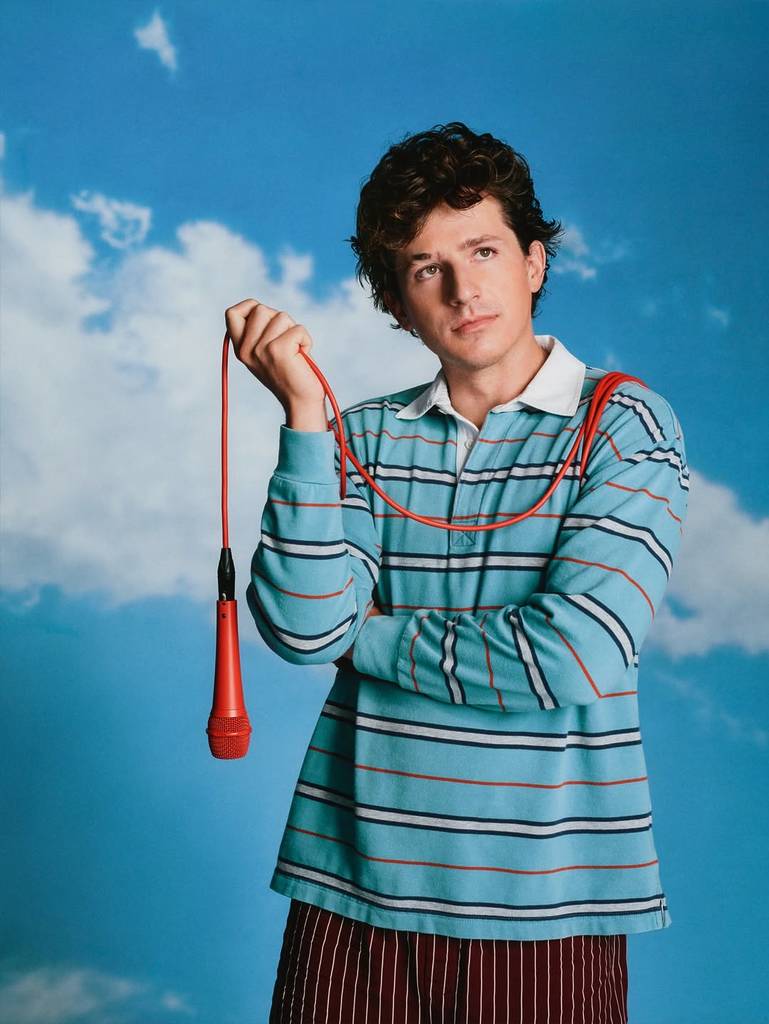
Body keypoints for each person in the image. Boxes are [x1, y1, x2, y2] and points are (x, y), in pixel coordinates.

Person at [225, 121, 689, 1023]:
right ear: (397, 303)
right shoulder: (355, 436)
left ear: (533, 263)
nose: (463, 288)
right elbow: (302, 627)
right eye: (426, 266)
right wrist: (305, 422)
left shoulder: (624, 426)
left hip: (544, 906)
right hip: (349, 885)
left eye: (482, 249)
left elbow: (574, 655)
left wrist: (371, 636)